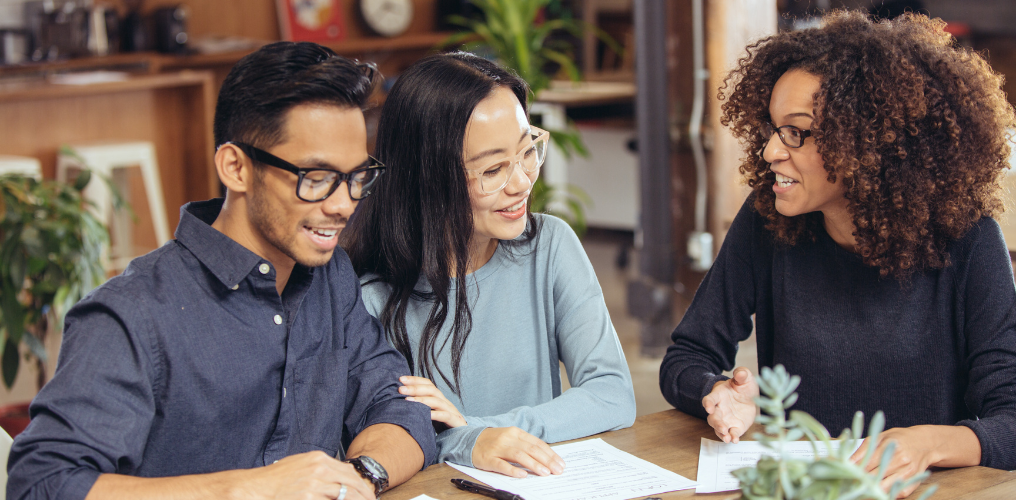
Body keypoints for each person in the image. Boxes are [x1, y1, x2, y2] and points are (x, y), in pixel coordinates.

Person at [7, 42, 436, 500]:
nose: (343, 204)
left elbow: (398, 407)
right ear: (236, 167)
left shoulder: (330, 277)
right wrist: (251, 489)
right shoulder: (132, 314)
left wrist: (359, 478)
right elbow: (43, 484)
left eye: (356, 177)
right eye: (315, 178)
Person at [659, 10, 1016, 498]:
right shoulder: (768, 220)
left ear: (868, 143)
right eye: (772, 128)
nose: (769, 152)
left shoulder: (968, 239)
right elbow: (687, 356)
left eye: (796, 132)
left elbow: (1012, 419)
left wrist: (931, 444)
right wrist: (716, 393)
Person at [341, 52, 636, 479]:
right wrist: (466, 442)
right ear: (427, 177)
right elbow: (374, 447)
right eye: (494, 169)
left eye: (527, 152)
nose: (521, 182)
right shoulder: (368, 297)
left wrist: (474, 431)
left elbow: (612, 395)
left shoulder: (549, 246)